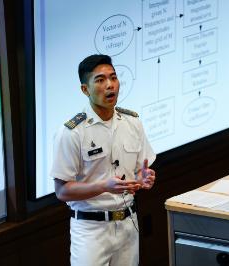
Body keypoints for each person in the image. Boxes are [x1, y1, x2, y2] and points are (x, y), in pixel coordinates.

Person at [50, 54, 156, 266]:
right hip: (91, 229)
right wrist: (104, 186)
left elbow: (139, 172)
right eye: (100, 80)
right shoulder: (72, 132)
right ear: (85, 89)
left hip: (128, 223)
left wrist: (142, 178)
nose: (110, 85)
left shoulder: (132, 122)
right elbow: (62, 191)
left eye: (113, 78)